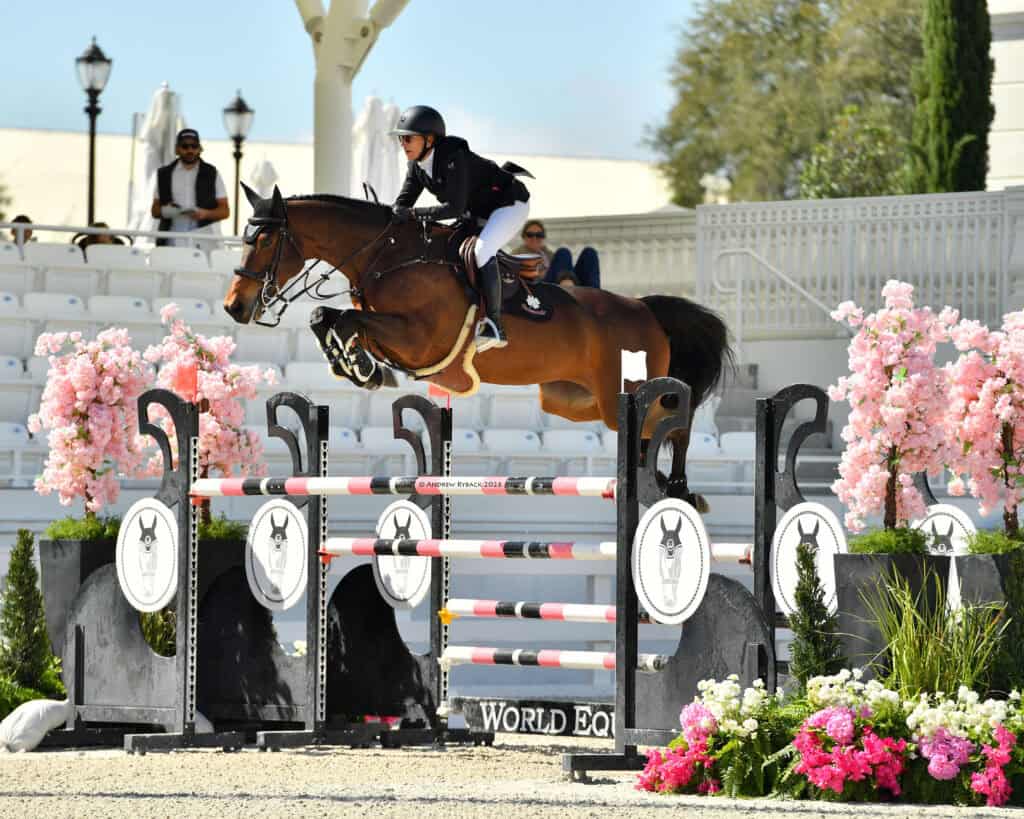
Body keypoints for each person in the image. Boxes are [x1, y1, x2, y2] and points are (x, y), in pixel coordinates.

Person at [390, 106, 531, 352]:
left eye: (408, 138)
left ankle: (495, 325)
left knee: (481, 252)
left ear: (429, 139)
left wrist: (412, 215)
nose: (403, 143)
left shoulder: (454, 157)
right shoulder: (415, 165)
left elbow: (453, 208)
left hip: (509, 204)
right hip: (476, 212)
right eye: (401, 138)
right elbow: (402, 204)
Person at [150, 128, 229, 248]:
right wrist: (166, 211)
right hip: (171, 241)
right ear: (177, 149)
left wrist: (205, 214)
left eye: (194, 146)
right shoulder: (164, 174)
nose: (190, 150)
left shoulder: (212, 173)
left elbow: (225, 211)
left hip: (204, 240)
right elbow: (154, 210)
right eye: (185, 146)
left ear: (200, 148)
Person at [512, 219, 602, 289]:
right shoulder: (516, 255)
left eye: (539, 235)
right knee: (563, 252)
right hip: (540, 289)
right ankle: (565, 289)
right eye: (530, 235)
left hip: (561, 284)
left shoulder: (548, 255)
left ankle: (594, 295)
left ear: (543, 237)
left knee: (589, 253)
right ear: (523, 237)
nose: (534, 238)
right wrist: (539, 274)